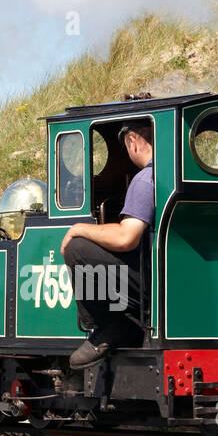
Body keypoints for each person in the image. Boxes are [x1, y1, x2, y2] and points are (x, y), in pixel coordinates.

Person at [60, 121, 153, 368]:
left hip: (151, 284)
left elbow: (126, 238)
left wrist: (78, 228)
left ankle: (112, 328)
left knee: (77, 249)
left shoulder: (146, 179)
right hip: (170, 281)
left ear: (133, 141)